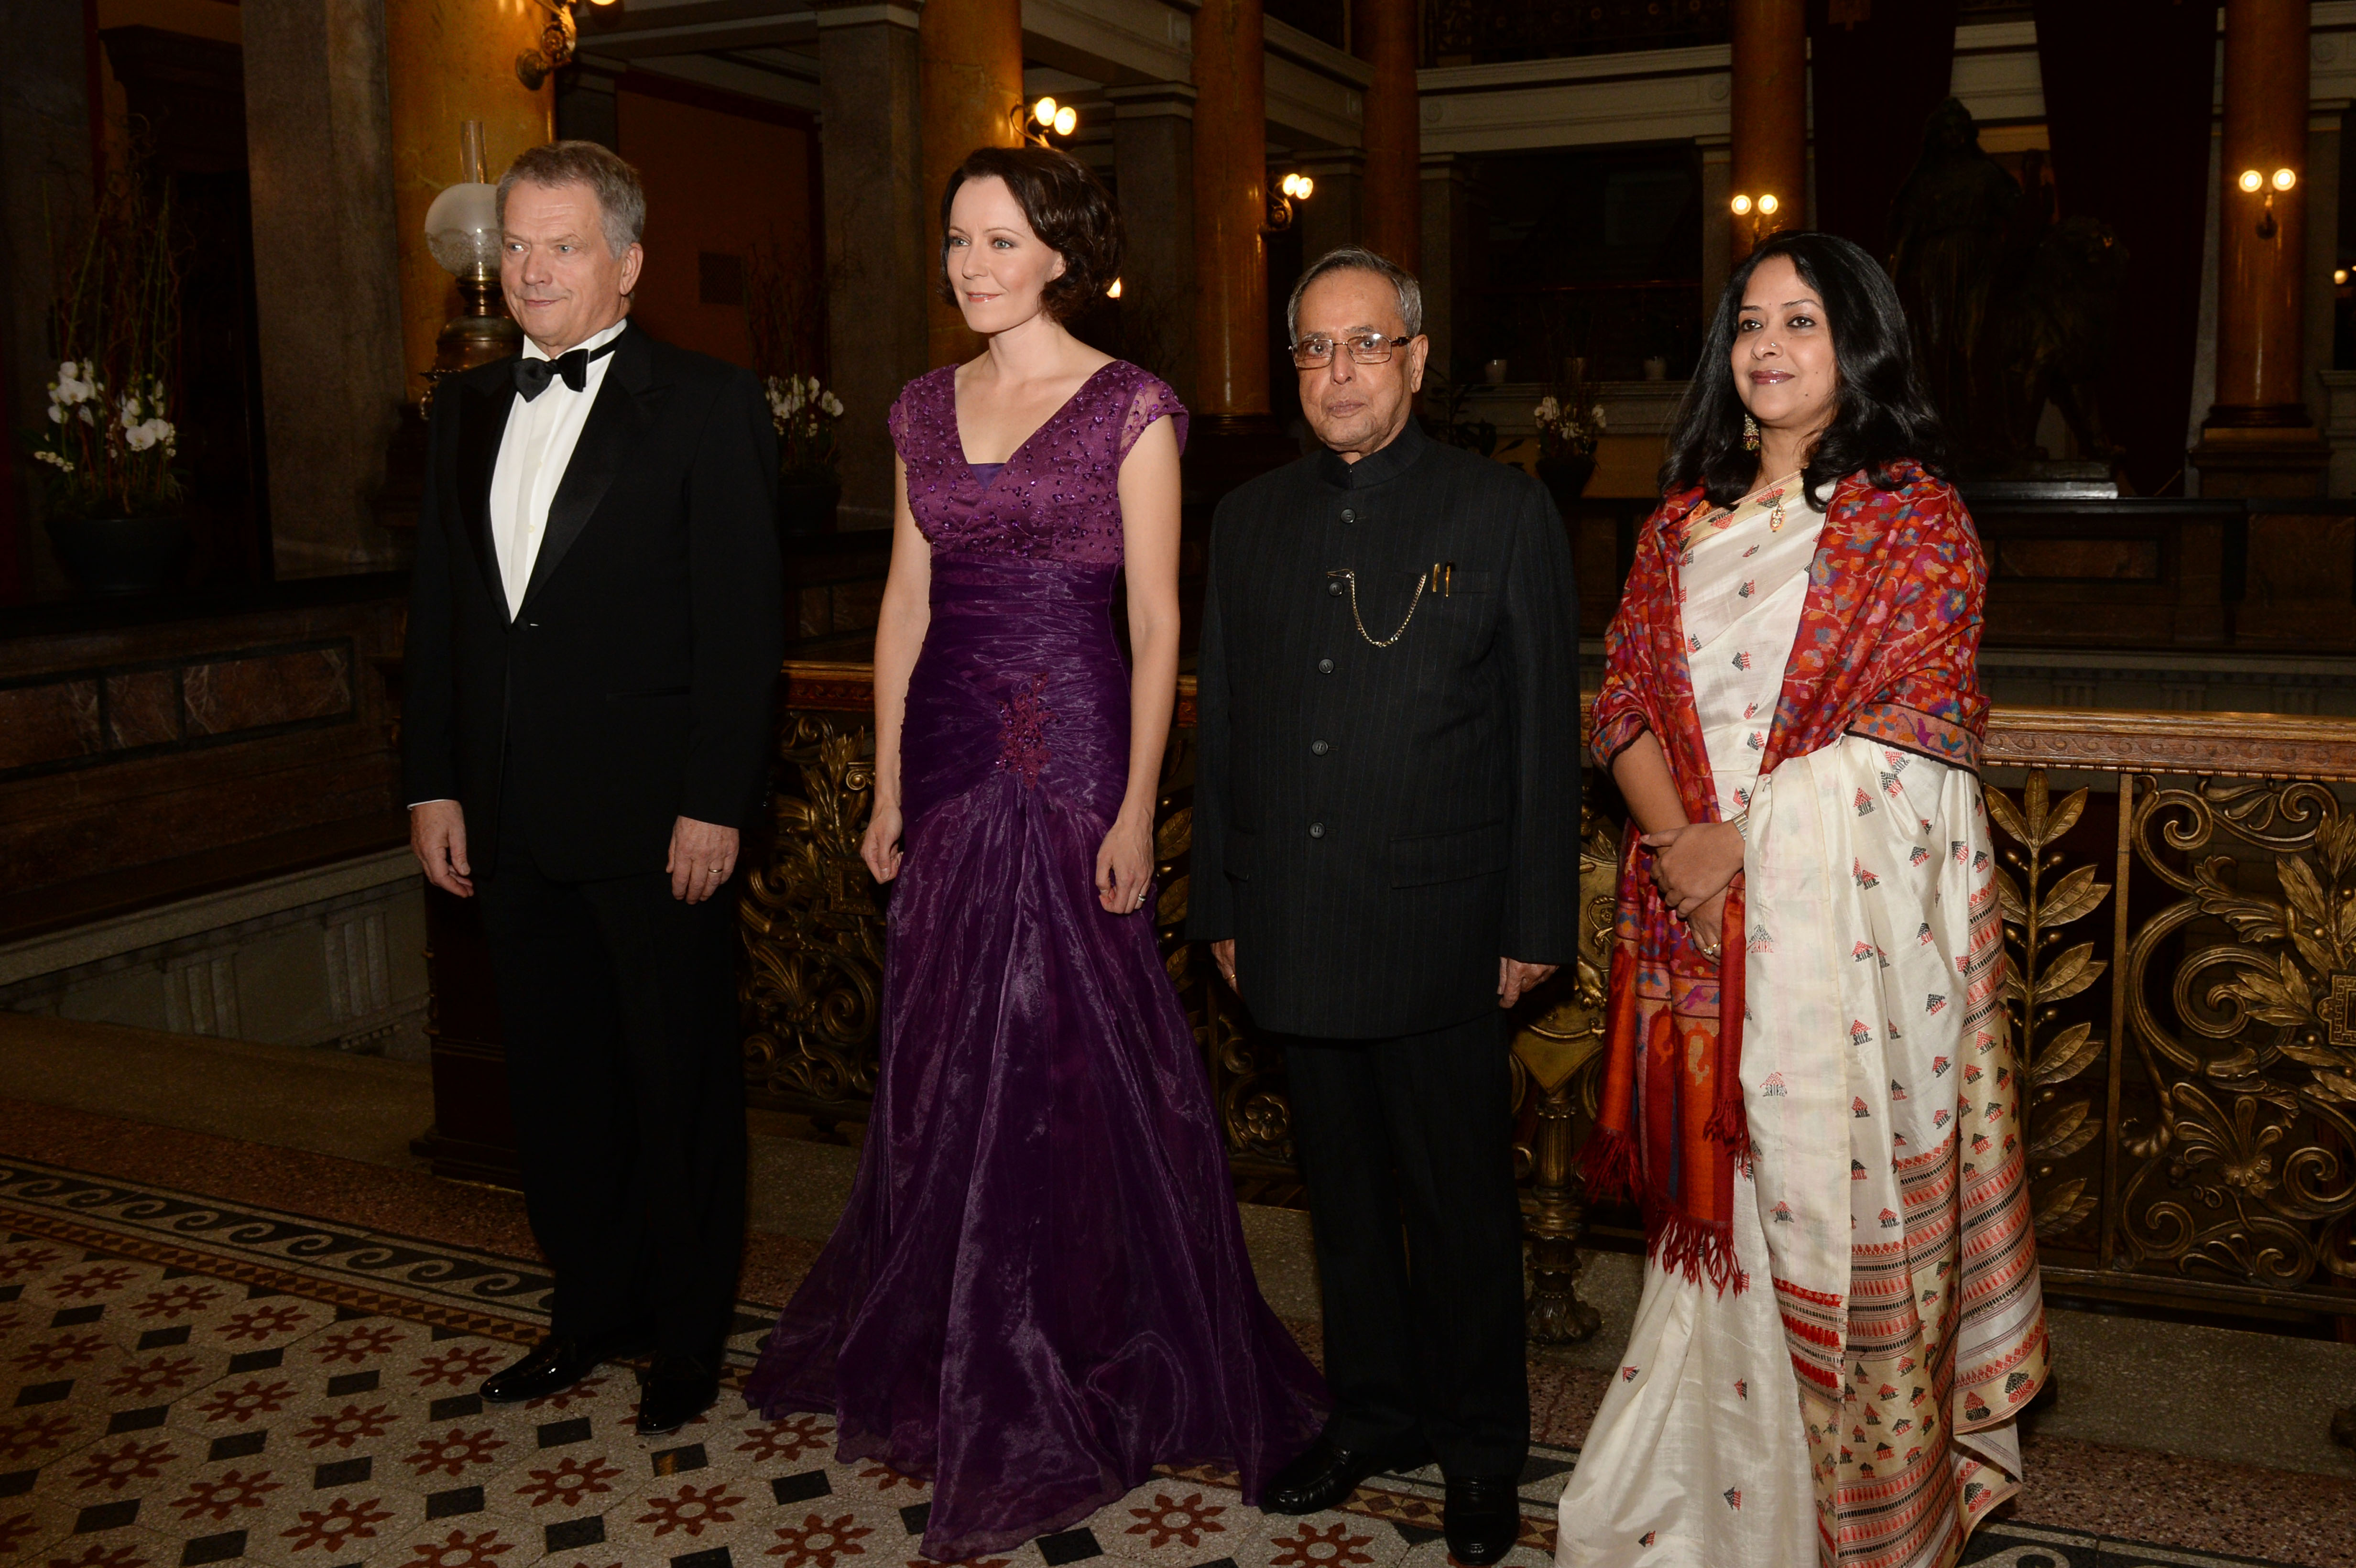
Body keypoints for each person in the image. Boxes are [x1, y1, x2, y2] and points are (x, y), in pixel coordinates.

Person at [743, 145, 1326, 1561]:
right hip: (947, 745)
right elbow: (903, 605)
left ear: (1063, 254)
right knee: (947, 1037)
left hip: (1071, 748)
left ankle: (1083, 1332)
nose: (972, 265)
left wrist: (1133, 809)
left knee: (1070, 1043)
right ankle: (952, 1336)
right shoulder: (918, 408)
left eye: (1001, 240)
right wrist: (889, 783)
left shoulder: (1133, 407)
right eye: (959, 239)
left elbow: (1158, 623)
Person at [1554, 231, 2049, 1568]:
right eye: (1750, 323)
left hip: (1844, 961)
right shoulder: (1681, 524)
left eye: (1802, 322)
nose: (1767, 347)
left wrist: (1743, 845)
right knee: (1713, 1241)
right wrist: (1683, 852)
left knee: (1827, 1225)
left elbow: (1914, 743)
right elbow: (1622, 701)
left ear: (1861, 344)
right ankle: (1704, 1515)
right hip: (1698, 931)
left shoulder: (1913, 521)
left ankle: (1848, 1528)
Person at [1188, 246, 1583, 1566]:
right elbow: (1226, 729)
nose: (1338, 372)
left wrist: (1535, 923)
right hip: (1293, 920)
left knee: (1460, 1210)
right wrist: (1223, 901)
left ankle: (1480, 1450)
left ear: (1415, 359)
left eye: (1365, 344)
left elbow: (1543, 737)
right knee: (1344, 1202)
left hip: (1444, 927)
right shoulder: (1250, 519)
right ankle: (1372, 1413)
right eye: (1314, 347)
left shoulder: (1501, 511)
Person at [402, 141, 783, 1436]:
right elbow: (444, 613)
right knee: (556, 1086)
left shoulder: (710, 403)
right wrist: (433, 782)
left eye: (562, 245)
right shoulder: (462, 407)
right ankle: (590, 1309)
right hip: (505, 816)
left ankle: (687, 1332)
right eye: (515, 245)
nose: (531, 269)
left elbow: (742, 627)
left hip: (656, 818)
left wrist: (716, 799)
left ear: (626, 262)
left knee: (675, 1084)